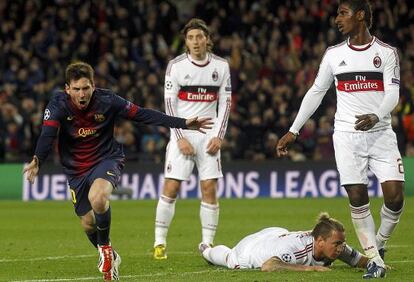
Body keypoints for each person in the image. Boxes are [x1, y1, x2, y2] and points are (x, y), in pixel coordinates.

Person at [23, 62, 213, 280]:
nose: (82, 94)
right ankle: (111, 254)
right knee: (87, 223)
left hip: (106, 159)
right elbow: (48, 134)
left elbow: (142, 114)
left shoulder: (107, 100)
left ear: (93, 86)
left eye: (86, 88)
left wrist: (183, 123)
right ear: (68, 89)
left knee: (99, 198)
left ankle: (104, 249)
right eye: (76, 89)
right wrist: (38, 159)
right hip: (75, 169)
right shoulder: (58, 104)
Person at [276, 0, 404, 279]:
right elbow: (316, 92)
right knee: (358, 196)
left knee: (395, 197)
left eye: (342, 13)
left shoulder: (386, 52)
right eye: (337, 14)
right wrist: (293, 130)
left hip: (381, 133)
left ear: (360, 16)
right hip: (347, 135)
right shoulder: (334, 55)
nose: (337, 19)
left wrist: (377, 114)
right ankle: (374, 261)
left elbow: (393, 94)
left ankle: (379, 244)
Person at [153, 18, 232, 259]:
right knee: (171, 186)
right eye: (191, 38)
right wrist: (179, 137)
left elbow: (226, 104)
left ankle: (206, 244)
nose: (196, 42)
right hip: (184, 133)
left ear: (207, 39)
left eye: (200, 37)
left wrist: (219, 136)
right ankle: (159, 242)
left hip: (209, 136)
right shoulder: (175, 66)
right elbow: (169, 103)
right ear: (186, 42)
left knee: (209, 188)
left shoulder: (221, 66)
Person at [199, 213, 368, 272]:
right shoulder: (297, 251)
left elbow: (359, 261)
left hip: (277, 234)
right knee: (231, 259)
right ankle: (206, 249)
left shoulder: (335, 244)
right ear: (320, 241)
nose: (341, 248)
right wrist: (311, 268)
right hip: (250, 251)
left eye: (341, 243)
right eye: (337, 244)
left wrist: (375, 263)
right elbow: (269, 266)